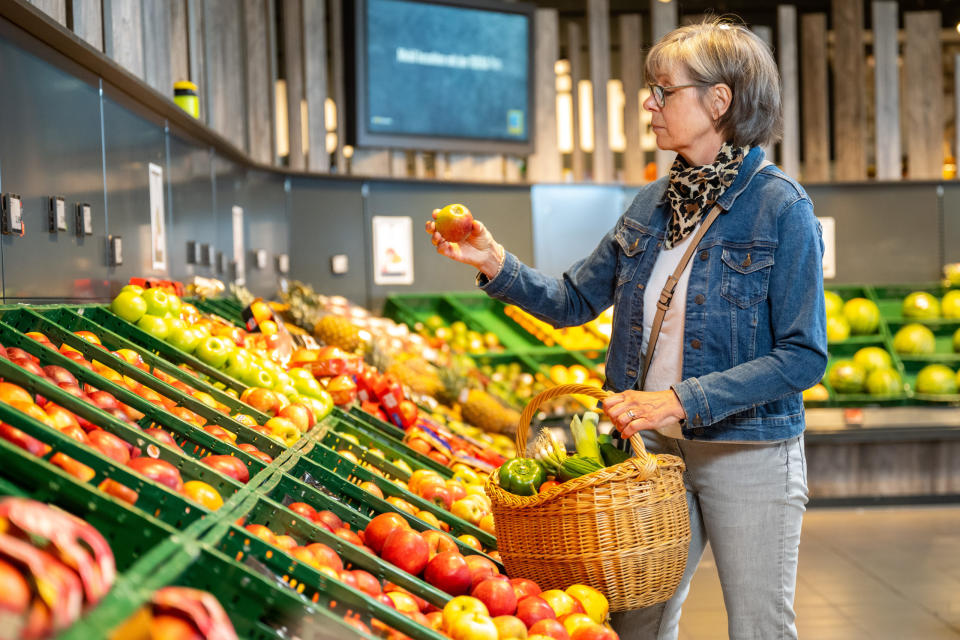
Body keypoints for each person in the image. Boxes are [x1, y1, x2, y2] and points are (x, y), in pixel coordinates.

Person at [426, 18, 826, 640]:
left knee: (759, 626)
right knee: (636, 619)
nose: (649, 102)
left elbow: (803, 356)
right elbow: (574, 297)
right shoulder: (652, 204)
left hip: (746, 452)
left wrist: (678, 400)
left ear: (718, 100)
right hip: (649, 453)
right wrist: (492, 262)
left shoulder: (782, 207)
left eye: (663, 90)